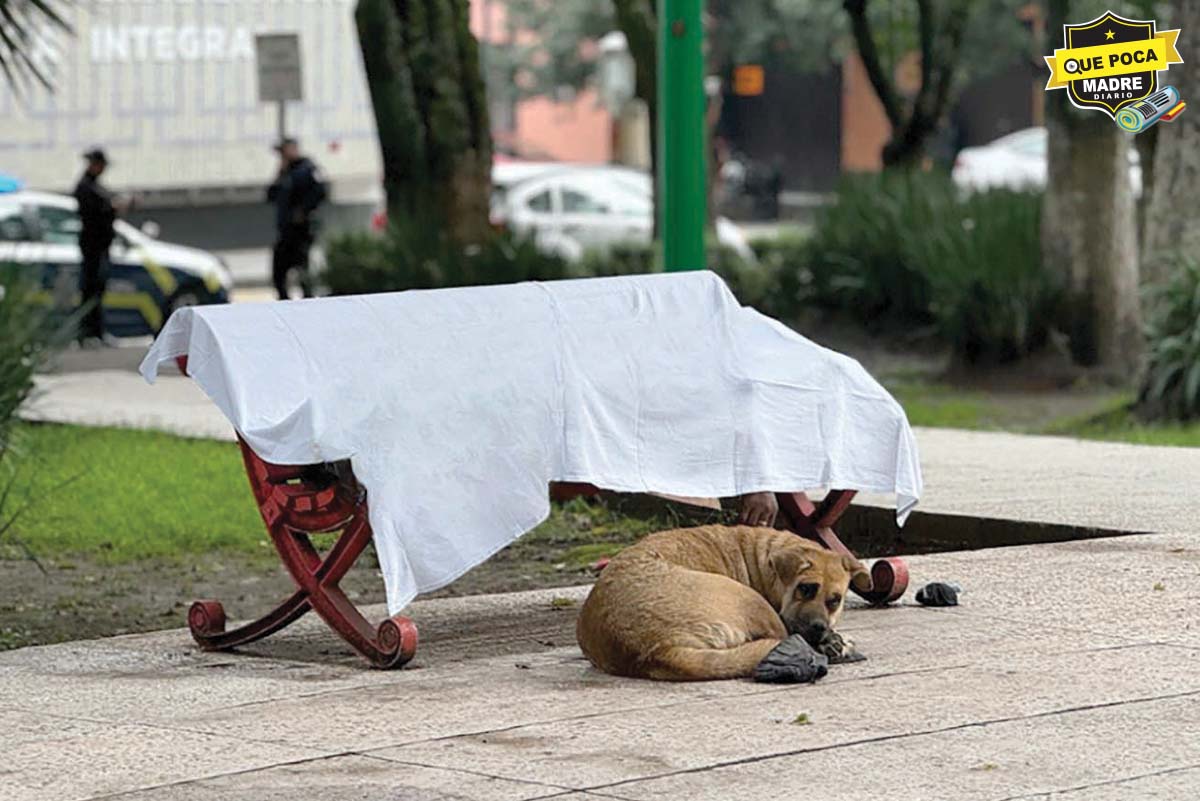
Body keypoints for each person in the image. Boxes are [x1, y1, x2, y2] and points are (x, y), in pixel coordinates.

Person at [267, 138, 326, 300]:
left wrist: (303, 211)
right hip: (286, 231)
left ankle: (308, 301)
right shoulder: (286, 173)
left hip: (302, 231)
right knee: (278, 272)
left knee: (302, 270)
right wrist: (279, 174)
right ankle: (284, 302)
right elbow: (270, 196)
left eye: (284, 151)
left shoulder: (306, 169)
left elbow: (320, 192)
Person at [73, 148, 121, 344]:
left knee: (97, 291)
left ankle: (95, 332)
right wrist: (111, 207)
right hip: (93, 247)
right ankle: (88, 333)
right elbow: (96, 211)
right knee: (91, 291)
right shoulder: (85, 187)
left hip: (99, 246)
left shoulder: (94, 186)